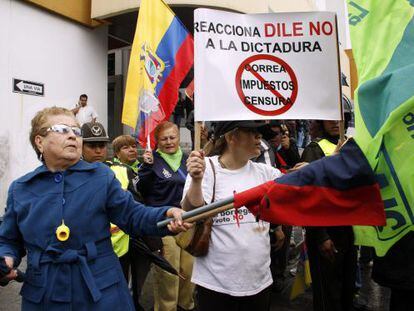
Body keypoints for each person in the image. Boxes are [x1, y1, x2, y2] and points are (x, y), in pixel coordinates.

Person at [0, 107, 190, 310]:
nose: (73, 136)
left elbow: (133, 215)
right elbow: (9, 240)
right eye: (63, 130)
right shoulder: (20, 189)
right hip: (45, 292)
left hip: (101, 290)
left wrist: (167, 213)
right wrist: (6, 260)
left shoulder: (101, 177)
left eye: (76, 131)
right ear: (39, 141)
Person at [182, 121, 284, 311]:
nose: (259, 137)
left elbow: (298, 183)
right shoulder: (207, 167)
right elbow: (190, 214)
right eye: (252, 132)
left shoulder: (265, 173)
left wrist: (335, 160)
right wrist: (196, 181)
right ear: (231, 137)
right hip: (215, 285)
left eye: (259, 133)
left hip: (259, 283)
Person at [138, 121, 195, 311]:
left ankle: (185, 307)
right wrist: (145, 168)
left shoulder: (188, 160)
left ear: (179, 137)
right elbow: (142, 190)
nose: (169, 141)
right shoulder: (151, 161)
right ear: (157, 141)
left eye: (173, 137)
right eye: (164, 138)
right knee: (169, 276)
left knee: (188, 272)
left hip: (188, 223)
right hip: (165, 225)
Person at [301, 120, 357, 311]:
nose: (335, 122)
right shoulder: (314, 149)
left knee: (347, 289)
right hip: (325, 231)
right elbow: (309, 196)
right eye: (329, 118)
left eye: (339, 118)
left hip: (348, 228)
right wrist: (321, 236)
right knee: (328, 293)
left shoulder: (352, 144)